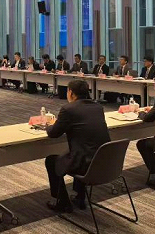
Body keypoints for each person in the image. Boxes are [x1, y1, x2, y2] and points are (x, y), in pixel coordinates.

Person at [45, 80, 111, 212]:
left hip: (85, 163)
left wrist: (49, 125)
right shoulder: (98, 107)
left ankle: (63, 202)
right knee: (76, 152)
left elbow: (54, 133)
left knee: (51, 161)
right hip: (103, 160)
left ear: (71, 93)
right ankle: (80, 197)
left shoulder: (68, 109)